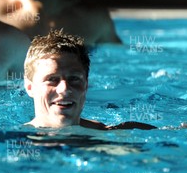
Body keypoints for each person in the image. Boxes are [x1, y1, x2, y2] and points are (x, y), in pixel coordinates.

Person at [24, 29, 153, 129]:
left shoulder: (106, 135)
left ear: (86, 85)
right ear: (30, 87)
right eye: (52, 79)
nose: (65, 89)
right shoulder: (18, 140)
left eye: (74, 78)